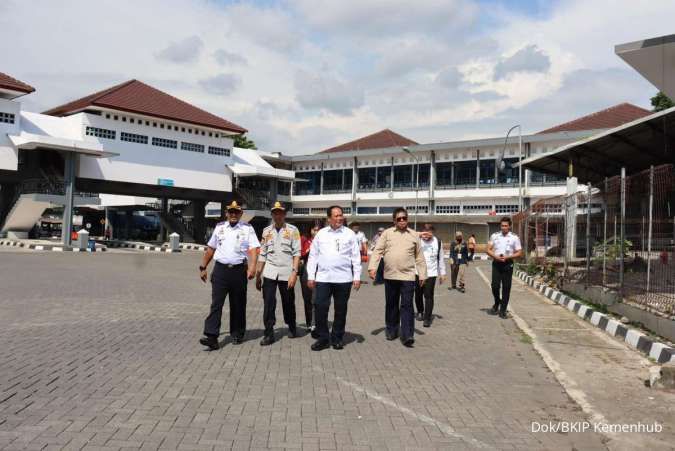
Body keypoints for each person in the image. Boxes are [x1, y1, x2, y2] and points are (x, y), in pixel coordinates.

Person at [199, 201, 260, 350]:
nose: (233, 214)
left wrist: (252, 267)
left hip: (239, 271)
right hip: (220, 271)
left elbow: (254, 249)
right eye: (230, 212)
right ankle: (212, 336)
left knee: (238, 304)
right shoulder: (219, 228)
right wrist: (203, 266)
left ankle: (237, 333)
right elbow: (211, 248)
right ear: (227, 213)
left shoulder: (247, 229)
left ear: (240, 214)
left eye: (236, 212)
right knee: (216, 304)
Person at [368, 208, 427, 347]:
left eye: (404, 218)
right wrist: (372, 267)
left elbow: (419, 257)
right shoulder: (387, 234)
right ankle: (391, 330)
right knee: (392, 304)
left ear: (407, 219)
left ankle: (407, 335)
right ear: (394, 220)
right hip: (390, 275)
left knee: (407, 305)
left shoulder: (413, 235)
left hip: (408, 276)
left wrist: (423, 274)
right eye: (399, 218)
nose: (402, 221)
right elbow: (378, 251)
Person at [306, 206, 362, 351]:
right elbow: (313, 256)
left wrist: (357, 277)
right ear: (329, 218)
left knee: (340, 310)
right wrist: (311, 276)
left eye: (341, 215)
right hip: (323, 278)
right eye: (336, 216)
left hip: (344, 279)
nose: (339, 218)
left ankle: (337, 338)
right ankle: (323, 338)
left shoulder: (350, 234)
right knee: (320, 307)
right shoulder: (321, 234)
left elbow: (356, 257)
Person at [255, 201, 301, 345]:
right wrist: (258, 275)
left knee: (288, 302)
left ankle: (292, 325)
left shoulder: (293, 230)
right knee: (269, 302)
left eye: (280, 212)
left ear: (284, 214)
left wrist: (294, 273)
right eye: (275, 213)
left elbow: (297, 253)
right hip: (269, 272)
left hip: (287, 272)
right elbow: (263, 253)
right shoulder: (266, 231)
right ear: (272, 215)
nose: (278, 215)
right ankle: (269, 333)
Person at [487, 217, 523, 319]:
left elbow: (519, 252)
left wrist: (508, 257)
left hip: (508, 263)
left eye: (506, 226)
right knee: (495, 285)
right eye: (502, 225)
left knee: (506, 288)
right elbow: (488, 250)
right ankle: (497, 301)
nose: (504, 228)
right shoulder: (494, 236)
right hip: (497, 263)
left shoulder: (514, 237)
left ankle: (503, 310)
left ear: (510, 226)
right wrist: (496, 257)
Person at [414, 223, 445, 327]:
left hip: (431, 273)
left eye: (429, 232)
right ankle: (420, 311)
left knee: (428, 295)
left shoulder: (438, 242)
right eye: (425, 232)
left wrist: (443, 273)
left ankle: (427, 318)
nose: (427, 235)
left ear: (433, 232)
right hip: (417, 272)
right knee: (418, 294)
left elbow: (440, 258)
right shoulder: (417, 240)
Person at [300, 223, 321, 335]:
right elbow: (300, 253)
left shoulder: (323, 239)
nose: (316, 231)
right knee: (307, 298)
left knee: (317, 299)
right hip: (306, 271)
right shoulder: (304, 239)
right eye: (314, 229)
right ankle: (309, 322)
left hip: (321, 272)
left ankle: (316, 323)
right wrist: (309, 250)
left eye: (318, 229)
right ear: (310, 229)